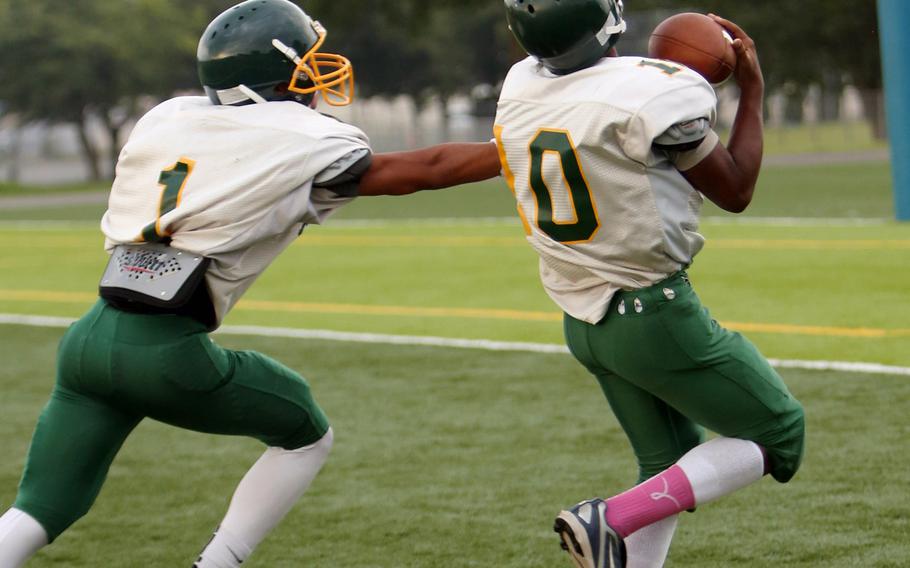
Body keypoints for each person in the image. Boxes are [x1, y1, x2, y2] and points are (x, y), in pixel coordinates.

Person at [0, 1, 500, 566]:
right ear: (280, 73)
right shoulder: (297, 137)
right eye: (307, 62)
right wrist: (514, 149)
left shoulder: (169, 117)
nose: (316, 73)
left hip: (87, 343)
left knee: (39, 507)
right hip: (166, 354)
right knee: (306, 434)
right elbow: (426, 170)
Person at [493, 1, 805, 567]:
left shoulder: (522, 86)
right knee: (780, 431)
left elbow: (602, 92)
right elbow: (735, 190)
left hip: (583, 318)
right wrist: (753, 89)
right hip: (652, 313)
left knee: (667, 461)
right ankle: (609, 519)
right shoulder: (649, 93)